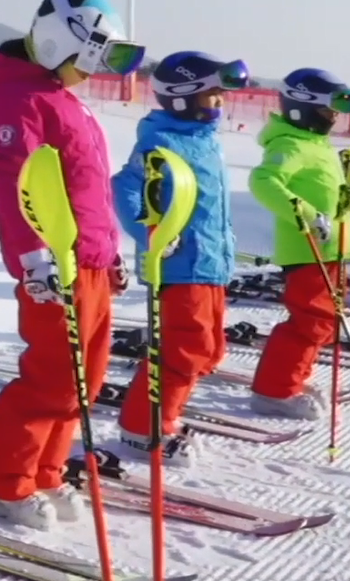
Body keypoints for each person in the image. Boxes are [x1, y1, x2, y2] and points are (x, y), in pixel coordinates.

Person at [0, 0, 146, 527]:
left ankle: (44, 470)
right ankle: (1, 482)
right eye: (87, 62)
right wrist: (32, 256)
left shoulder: (64, 99)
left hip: (89, 265)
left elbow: (87, 190)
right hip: (54, 268)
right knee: (50, 378)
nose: (92, 75)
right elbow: (12, 184)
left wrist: (108, 250)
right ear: (57, 47)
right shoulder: (18, 102)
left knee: (82, 382)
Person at [112, 51, 248, 465]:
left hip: (211, 263)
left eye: (221, 96)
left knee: (208, 350)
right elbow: (125, 186)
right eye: (211, 96)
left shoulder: (206, 141)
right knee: (184, 349)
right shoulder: (160, 140)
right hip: (180, 263)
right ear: (181, 98)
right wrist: (150, 234)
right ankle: (143, 426)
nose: (220, 104)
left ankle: (165, 412)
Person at [246, 68, 350, 420]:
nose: (335, 118)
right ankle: (274, 391)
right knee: (310, 323)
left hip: (330, 250)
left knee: (324, 323)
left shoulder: (315, 143)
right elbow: (263, 181)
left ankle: (295, 379)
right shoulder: (291, 144)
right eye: (329, 111)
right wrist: (307, 215)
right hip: (308, 250)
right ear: (304, 108)